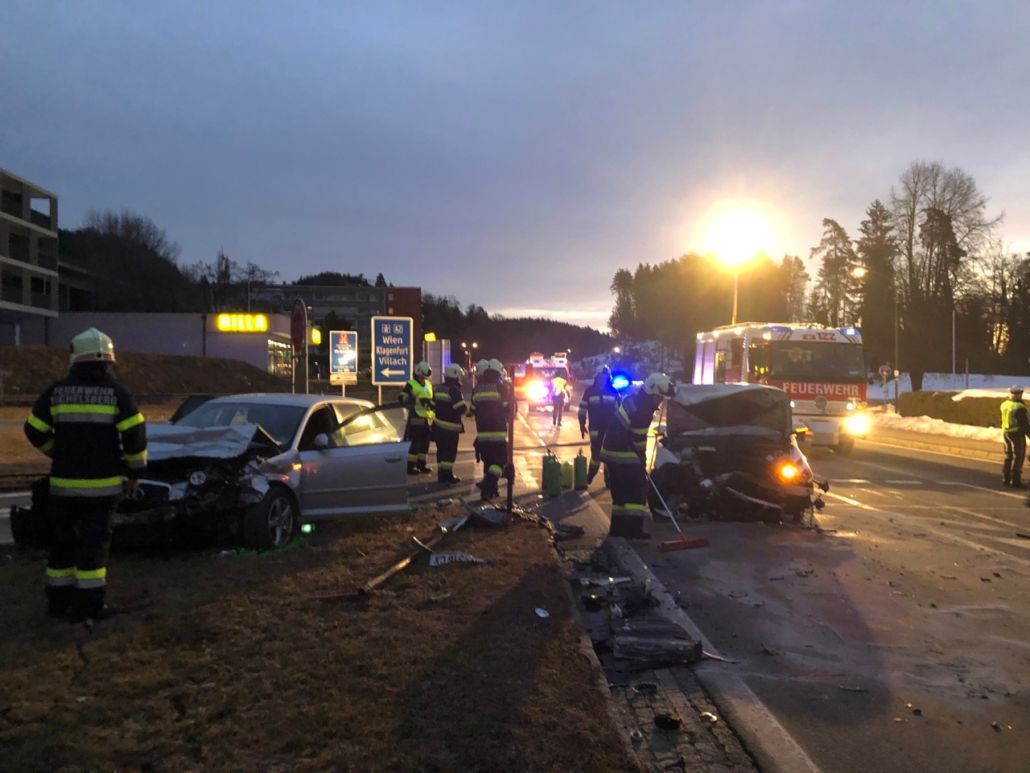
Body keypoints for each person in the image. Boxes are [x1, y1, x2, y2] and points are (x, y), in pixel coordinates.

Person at [23, 328, 147, 622]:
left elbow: (33, 429)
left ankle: (58, 605)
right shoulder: (118, 394)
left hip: (63, 488)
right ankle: (89, 607)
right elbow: (135, 437)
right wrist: (134, 472)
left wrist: (57, 451)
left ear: (75, 358)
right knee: (93, 549)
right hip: (102, 490)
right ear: (108, 361)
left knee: (61, 548)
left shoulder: (56, 392)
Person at [600, 372, 675, 539]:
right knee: (637, 491)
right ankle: (633, 530)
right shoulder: (643, 410)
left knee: (620, 496)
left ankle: (618, 530)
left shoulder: (633, 400)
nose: (661, 402)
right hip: (624, 455)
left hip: (612, 453)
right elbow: (638, 440)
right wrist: (642, 460)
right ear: (653, 394)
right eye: (660, 397)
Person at [470, 358, 512, 500]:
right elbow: (508, 408)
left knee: (488, 462)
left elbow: (472, 409)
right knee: (500, 461)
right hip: (498, 432)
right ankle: (488, 484)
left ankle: (488, 493)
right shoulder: (500, 387)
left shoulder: (477, 388)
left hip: (482, 433)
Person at [579, 365, 619, 483]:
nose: (603, 379)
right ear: (597, 377)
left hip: (610, 429)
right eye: (601, 377)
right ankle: (590, 475)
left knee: (609, 454)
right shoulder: (589, 392)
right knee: (596, 455)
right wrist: (582, 425)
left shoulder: (613, 392)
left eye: (605, 377)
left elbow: (619, 411)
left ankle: (608, 479)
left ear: (608, 377)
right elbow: (582, 409)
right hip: (595, 428)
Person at [432, 363, 468, 484]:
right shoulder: (454, 391)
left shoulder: (438, 388)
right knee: (450, 453)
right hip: (450, 429)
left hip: (438, 427)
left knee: (441, 452)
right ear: (455, 376)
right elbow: (461, 409)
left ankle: (441, 475)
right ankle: (447, 476)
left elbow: (433, 405)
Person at [399, 361, 434, 474]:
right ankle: (410, 467)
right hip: (415, 416)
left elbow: (431, 398)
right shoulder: (411, 384)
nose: (424, 377)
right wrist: (412, 399)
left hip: (427, 418)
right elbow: (402, 398)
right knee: (415, 443)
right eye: (423, 375)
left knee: (425, 443)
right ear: (418, 373)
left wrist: (431, 403)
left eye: (426, 375)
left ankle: (422, 465)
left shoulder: (428, 384)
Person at [1001, 384, 1029, 488]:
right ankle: (1016, 480)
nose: (1021, 395)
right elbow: (1024, 424)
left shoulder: (1005, 404)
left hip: (1006, 432)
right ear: (1017, 394)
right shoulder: (1019, 407)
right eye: (1020, 393)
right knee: (1019, 456)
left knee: (1008, 455)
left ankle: (1006, 477)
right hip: (1017, 433)